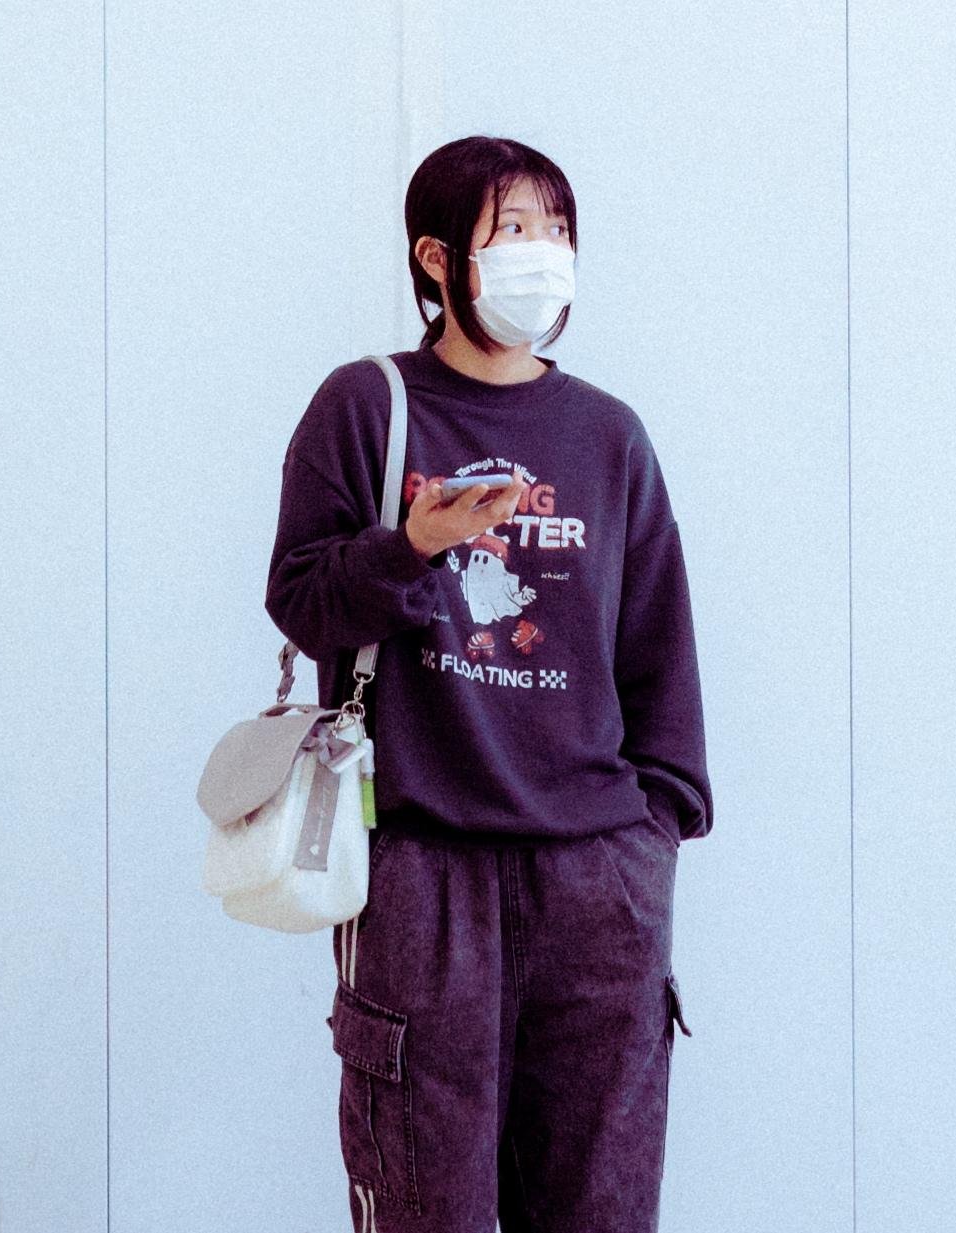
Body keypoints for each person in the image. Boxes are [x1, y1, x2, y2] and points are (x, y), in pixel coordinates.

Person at [264, 135, 711, 1233]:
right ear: (436, 257)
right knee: (426, 1209)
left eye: (557, 229)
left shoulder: (607, 434)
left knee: (598, 1212)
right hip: (424, 870)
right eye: (512, 230)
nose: (542, 255)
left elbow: (657, 642)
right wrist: (409, 547)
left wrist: (652, 829)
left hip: (595, 878)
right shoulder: (367, 407)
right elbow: (301, 601)